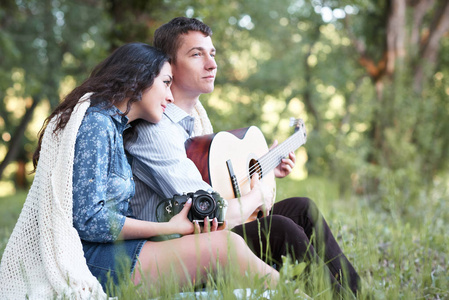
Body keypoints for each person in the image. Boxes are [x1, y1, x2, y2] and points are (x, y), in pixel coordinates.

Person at [0, 42, 279, 299]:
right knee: (225, 247)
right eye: (166, 83)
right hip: (92, 258)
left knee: (224, 244)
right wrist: (167, 227)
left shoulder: (116, 127)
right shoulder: (96, 124)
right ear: (139, 79)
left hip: (111, 251)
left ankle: (293, 290)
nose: (170, 96)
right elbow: (91, 220)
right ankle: (293, 291)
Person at [124, 18, 361, 296]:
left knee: (303, 208)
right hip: (177, 245)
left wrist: (265, 169)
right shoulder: (156, 130)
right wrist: (257, 196)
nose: (212, 64)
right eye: (196, 54)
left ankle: (358, 294)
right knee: (280, 228)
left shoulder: (195, 123)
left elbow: (218, 187)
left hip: (207, 231)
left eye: (212, 54)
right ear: (167, 67)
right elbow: (211, 212)